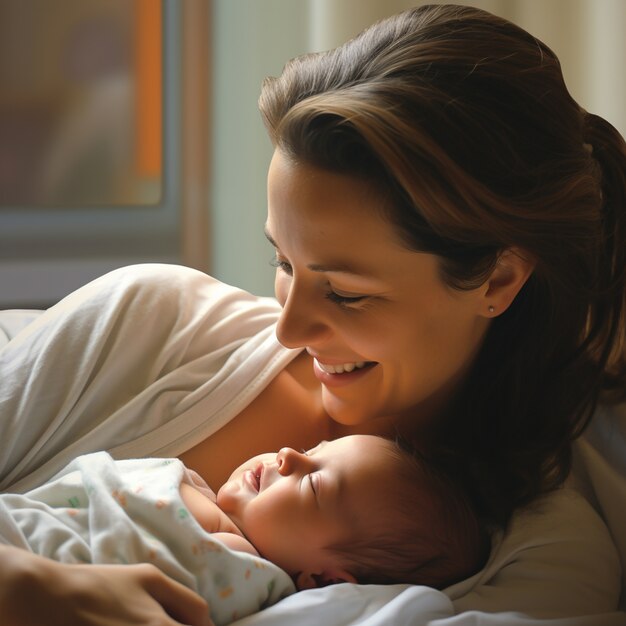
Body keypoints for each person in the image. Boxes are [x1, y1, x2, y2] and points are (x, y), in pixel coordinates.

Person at [0, 4, 624, 625]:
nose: (288, 330)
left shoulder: (536, 557)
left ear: (499, 278)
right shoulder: (154, 327)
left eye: (346, 292)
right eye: (284, 263)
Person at [0, 435, 485, 625]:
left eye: (313, 482)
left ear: (325, 580)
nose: (289, 455)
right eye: (316, 446)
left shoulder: (235, 565)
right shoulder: (208, 503)